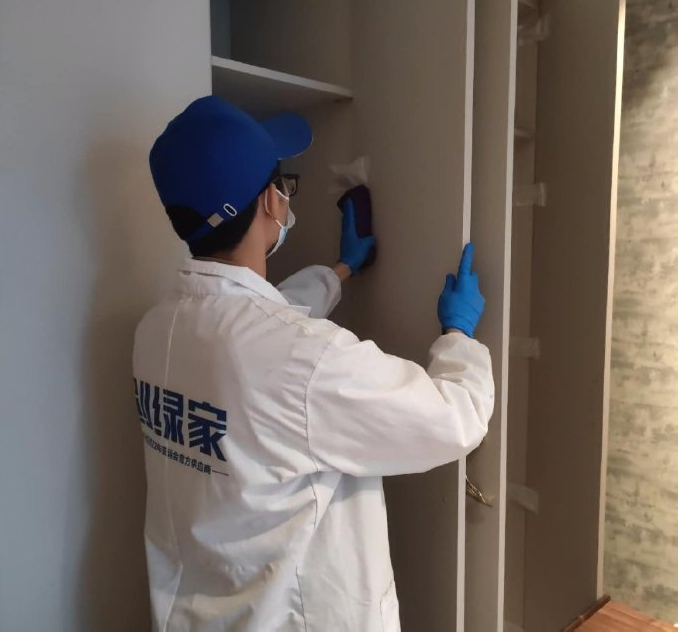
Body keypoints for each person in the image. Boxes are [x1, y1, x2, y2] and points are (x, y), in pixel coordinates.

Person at [133, 95, 494, 632]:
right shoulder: (302, 358)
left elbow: (263, 328)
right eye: (283, 184)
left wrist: (342, 270)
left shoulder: (157, 330)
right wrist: (458, 334)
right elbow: (454, 418)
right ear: (270, 202)